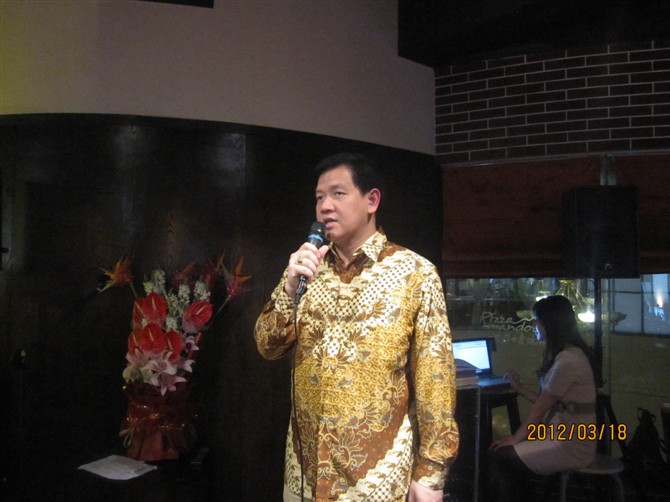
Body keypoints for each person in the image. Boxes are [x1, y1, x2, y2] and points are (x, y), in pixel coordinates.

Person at [254, 153, 459, 502]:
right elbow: (266, 345)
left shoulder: (415, 274)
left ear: (371, 200)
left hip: (377, 481)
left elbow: (435, 379)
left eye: (338, 193)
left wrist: (432, 474)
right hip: (303, 475)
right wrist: (288, 290)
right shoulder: (305, 268)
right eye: (319, 197)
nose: (325, 206)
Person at [488, 295, 597, 501]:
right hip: (565, 437)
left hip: (570, 443)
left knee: (501, 455)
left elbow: (541, 407)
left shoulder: (568, 360)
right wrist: (519, 388)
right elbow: (548, 401)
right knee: (505, 455)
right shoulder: (568, 355)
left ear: (549, 324)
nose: (533, 325)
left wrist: (516, 438)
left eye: (536, 320)